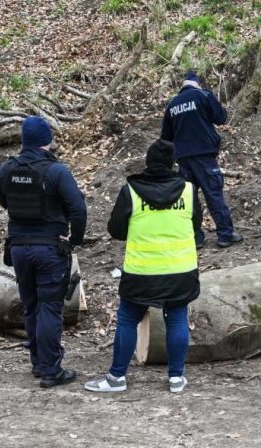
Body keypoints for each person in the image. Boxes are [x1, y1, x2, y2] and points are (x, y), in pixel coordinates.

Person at [85, 140, 201, 394]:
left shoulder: (131, 190)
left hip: (142, 272)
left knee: (128, 320)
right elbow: (195, 226)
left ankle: (116, 378)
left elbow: (115, 230)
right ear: (172, 164)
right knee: (177, 318)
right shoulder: (189, 190)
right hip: (181, 271)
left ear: (147, 162)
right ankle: (176, 378)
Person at [0, 116, 87, 388]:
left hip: (19, 248)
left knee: (31, 306)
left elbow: (4, 202)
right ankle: (50, 370)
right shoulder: (56, 171)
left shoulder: (5, 170)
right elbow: (78, 209)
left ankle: (38, 362)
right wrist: (74, 240)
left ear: (24, 140)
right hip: (49, 248)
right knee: (49, 307)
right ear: (48, 140)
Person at [161, 70, 243, 249]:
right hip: (204, 156)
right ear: (196, 83)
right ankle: (225, 235)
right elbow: (221, 118)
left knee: (189, 199)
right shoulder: (203, 95)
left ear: (183, 85)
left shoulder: (172, 104)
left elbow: (165, 137)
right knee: (214, 194)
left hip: (182, 158)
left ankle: (196, 237)